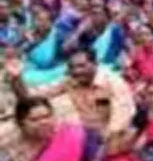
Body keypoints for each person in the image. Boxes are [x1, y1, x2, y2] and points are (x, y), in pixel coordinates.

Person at [8, 48, 136, 139]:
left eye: (81, 66)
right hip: (88, 134)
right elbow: (29, 98)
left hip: (114, 138)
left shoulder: (113, 83)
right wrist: (16, 78)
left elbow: (120, 122)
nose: (76, 71)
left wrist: (101, 144)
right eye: (72, 67)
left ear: (95, 64)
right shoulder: (70, 81)